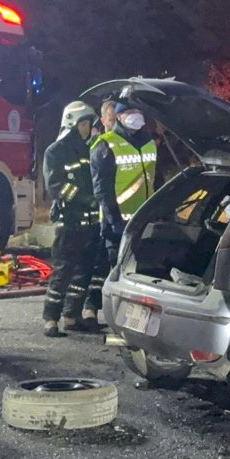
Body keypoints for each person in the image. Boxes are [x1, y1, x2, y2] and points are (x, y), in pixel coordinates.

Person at [82, 100, 157, 326]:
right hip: (117, 222)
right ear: (120, 116)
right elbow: (102, 190)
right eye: (131, 112)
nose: (137, 116)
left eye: (139, 112)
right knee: (116, 271)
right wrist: (114, 219)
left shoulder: (149, 143)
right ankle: (111, 318)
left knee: (138, 274)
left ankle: (132, 321)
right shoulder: (106, 144)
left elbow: (154, 179)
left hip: (144, 220)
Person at [40, 101, 101, 337]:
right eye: (84, 123)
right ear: (72, 123)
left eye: (89, 123)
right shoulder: (55, 151)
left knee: (83, 272)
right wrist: (86, 199)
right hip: (70, 222)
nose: (87, 128)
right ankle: (51, 319)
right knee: (63, 271)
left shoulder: (90, 148)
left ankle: (71, 316)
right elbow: (55, 186)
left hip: (91, 222)